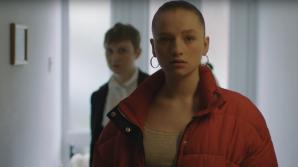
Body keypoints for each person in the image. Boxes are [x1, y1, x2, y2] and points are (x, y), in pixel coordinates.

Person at [93, 1, 278, 167]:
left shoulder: (243, 114)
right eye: (165, 39)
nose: (177, 49)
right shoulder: (126, 115)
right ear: (153, 47)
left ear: (205, 44)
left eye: (189, 38)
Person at [90, 23, 149, 166]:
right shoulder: (98, 96)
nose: (114, 57)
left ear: (137, 52)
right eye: (109, 51)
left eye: (122, 50)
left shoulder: (152, 88)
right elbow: (95, 144)